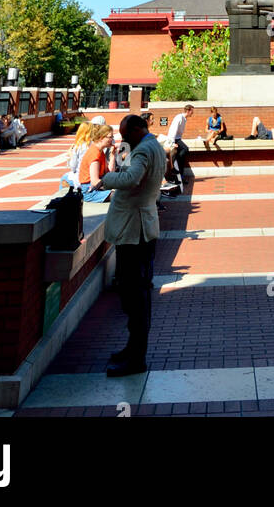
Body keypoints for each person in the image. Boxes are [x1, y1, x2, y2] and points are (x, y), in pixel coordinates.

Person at [94, 112, 167, 376]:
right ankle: (132, 349)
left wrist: (104, 178)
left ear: (138, 129)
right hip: (142, 227)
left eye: (126, 135)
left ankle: (136, 358)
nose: (123, 139)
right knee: (136, 292)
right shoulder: (154, 147)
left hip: (134, 232)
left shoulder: (145, 150)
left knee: (134, 295)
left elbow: (131, 179)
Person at [78, 123, 115, 201]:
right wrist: (114, 187)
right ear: (101, 138)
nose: (112, 139)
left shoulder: (100, 152)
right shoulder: (94, 154)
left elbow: (109, 173)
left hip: (97, 186)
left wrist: (112, 156)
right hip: (90, 191)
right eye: (110, 137)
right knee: (120, 195)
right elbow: (95, 182)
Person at [164, 105, 194, 175]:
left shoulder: (184, 119)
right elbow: (173, 129)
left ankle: (181, 175)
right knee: (185, 149)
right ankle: (174, 162)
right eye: (192, 111)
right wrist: (172, 142)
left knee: (182, 158)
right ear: (188, 111)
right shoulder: (179, 117)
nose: (193, 113)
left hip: (178, 138)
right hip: (174, 139)